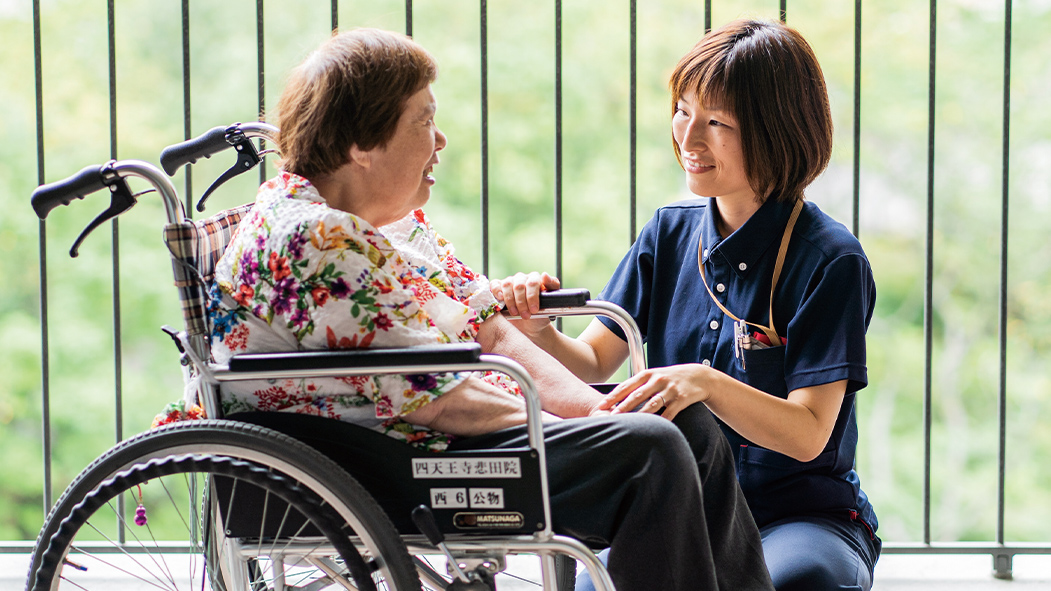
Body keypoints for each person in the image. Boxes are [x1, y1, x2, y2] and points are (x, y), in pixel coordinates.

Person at [207, 28, 773, 591]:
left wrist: (592, 414)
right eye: (423, 121)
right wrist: (579, 427)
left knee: (684, 420)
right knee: (651, 450)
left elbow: (495, 334)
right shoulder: (316, 240)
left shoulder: (390, 230)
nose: (441, 139)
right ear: (361, 144)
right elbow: (437, 400)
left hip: (443, 431)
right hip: (390, 460)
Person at [492, 19, 881, 591]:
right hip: (676, 506)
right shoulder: (668, 234)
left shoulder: (830, 259)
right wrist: (539, 331)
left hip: (796, 514)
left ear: (777, 131)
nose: (688, 139)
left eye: (716, 122)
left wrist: (706, 382)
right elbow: (594, 362)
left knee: (798, 582)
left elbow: (807, 434)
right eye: (682, 110)